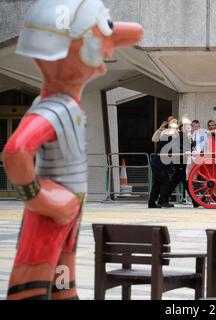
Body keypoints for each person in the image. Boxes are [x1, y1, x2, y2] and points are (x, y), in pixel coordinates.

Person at [2, 0, 143, 300]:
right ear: (72, 47)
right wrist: (43, 201)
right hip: (55, 210)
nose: (110, 46)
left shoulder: (65, 107)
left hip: (68, 207)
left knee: (62, 276)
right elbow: (16, 151)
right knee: (34, 278)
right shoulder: (54, 110)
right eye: (103, 32)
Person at [148, 119, 178, 208]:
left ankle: (152, 203)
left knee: (157, 184)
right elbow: (170, 148)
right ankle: (162, 201)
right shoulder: (166, 136)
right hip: (159, 163)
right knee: (166, 182)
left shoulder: (170, 137)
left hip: (160, 164)